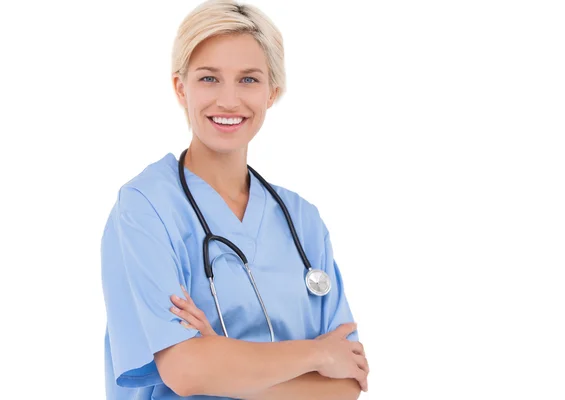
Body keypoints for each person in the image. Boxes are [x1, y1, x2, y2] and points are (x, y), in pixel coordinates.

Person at [100, 0, 369, 399]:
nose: (228, 100)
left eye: (248, 80)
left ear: (272, 92)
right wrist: (316, 355)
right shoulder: (145, 208)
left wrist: (222, 363)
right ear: (180, 87)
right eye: (209, 78)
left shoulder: (302, 220)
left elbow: (347, 383)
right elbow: (185, 371)